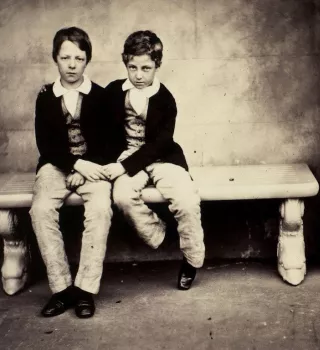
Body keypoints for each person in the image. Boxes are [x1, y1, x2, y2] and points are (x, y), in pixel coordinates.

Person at [103, 30, 205, 290]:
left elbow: (161, 143)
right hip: (126, 155)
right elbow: (90, 100)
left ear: (157, 65)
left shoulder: (166, 99)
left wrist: (124, 167)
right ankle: (159, 234)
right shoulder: (114, 91)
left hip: (162, 157)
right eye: (132, 67)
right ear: (125, 62)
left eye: (146, 68)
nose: (138, 75)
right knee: (122, 197)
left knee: (186, 199)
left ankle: (192, 260)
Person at [29, 26, 117, 318]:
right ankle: (62, 289)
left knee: (102, 208)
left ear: (87, 61)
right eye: (65, 57)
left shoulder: (101, 96)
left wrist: (86, 166)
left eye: (78, 58)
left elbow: (109, 142)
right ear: (55, 58)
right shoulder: (45, 97)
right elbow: (46, 144)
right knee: (40, 210)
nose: (71, 65)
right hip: (57, 166)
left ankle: (85, 290)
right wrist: (74, 165)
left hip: (93, 166)